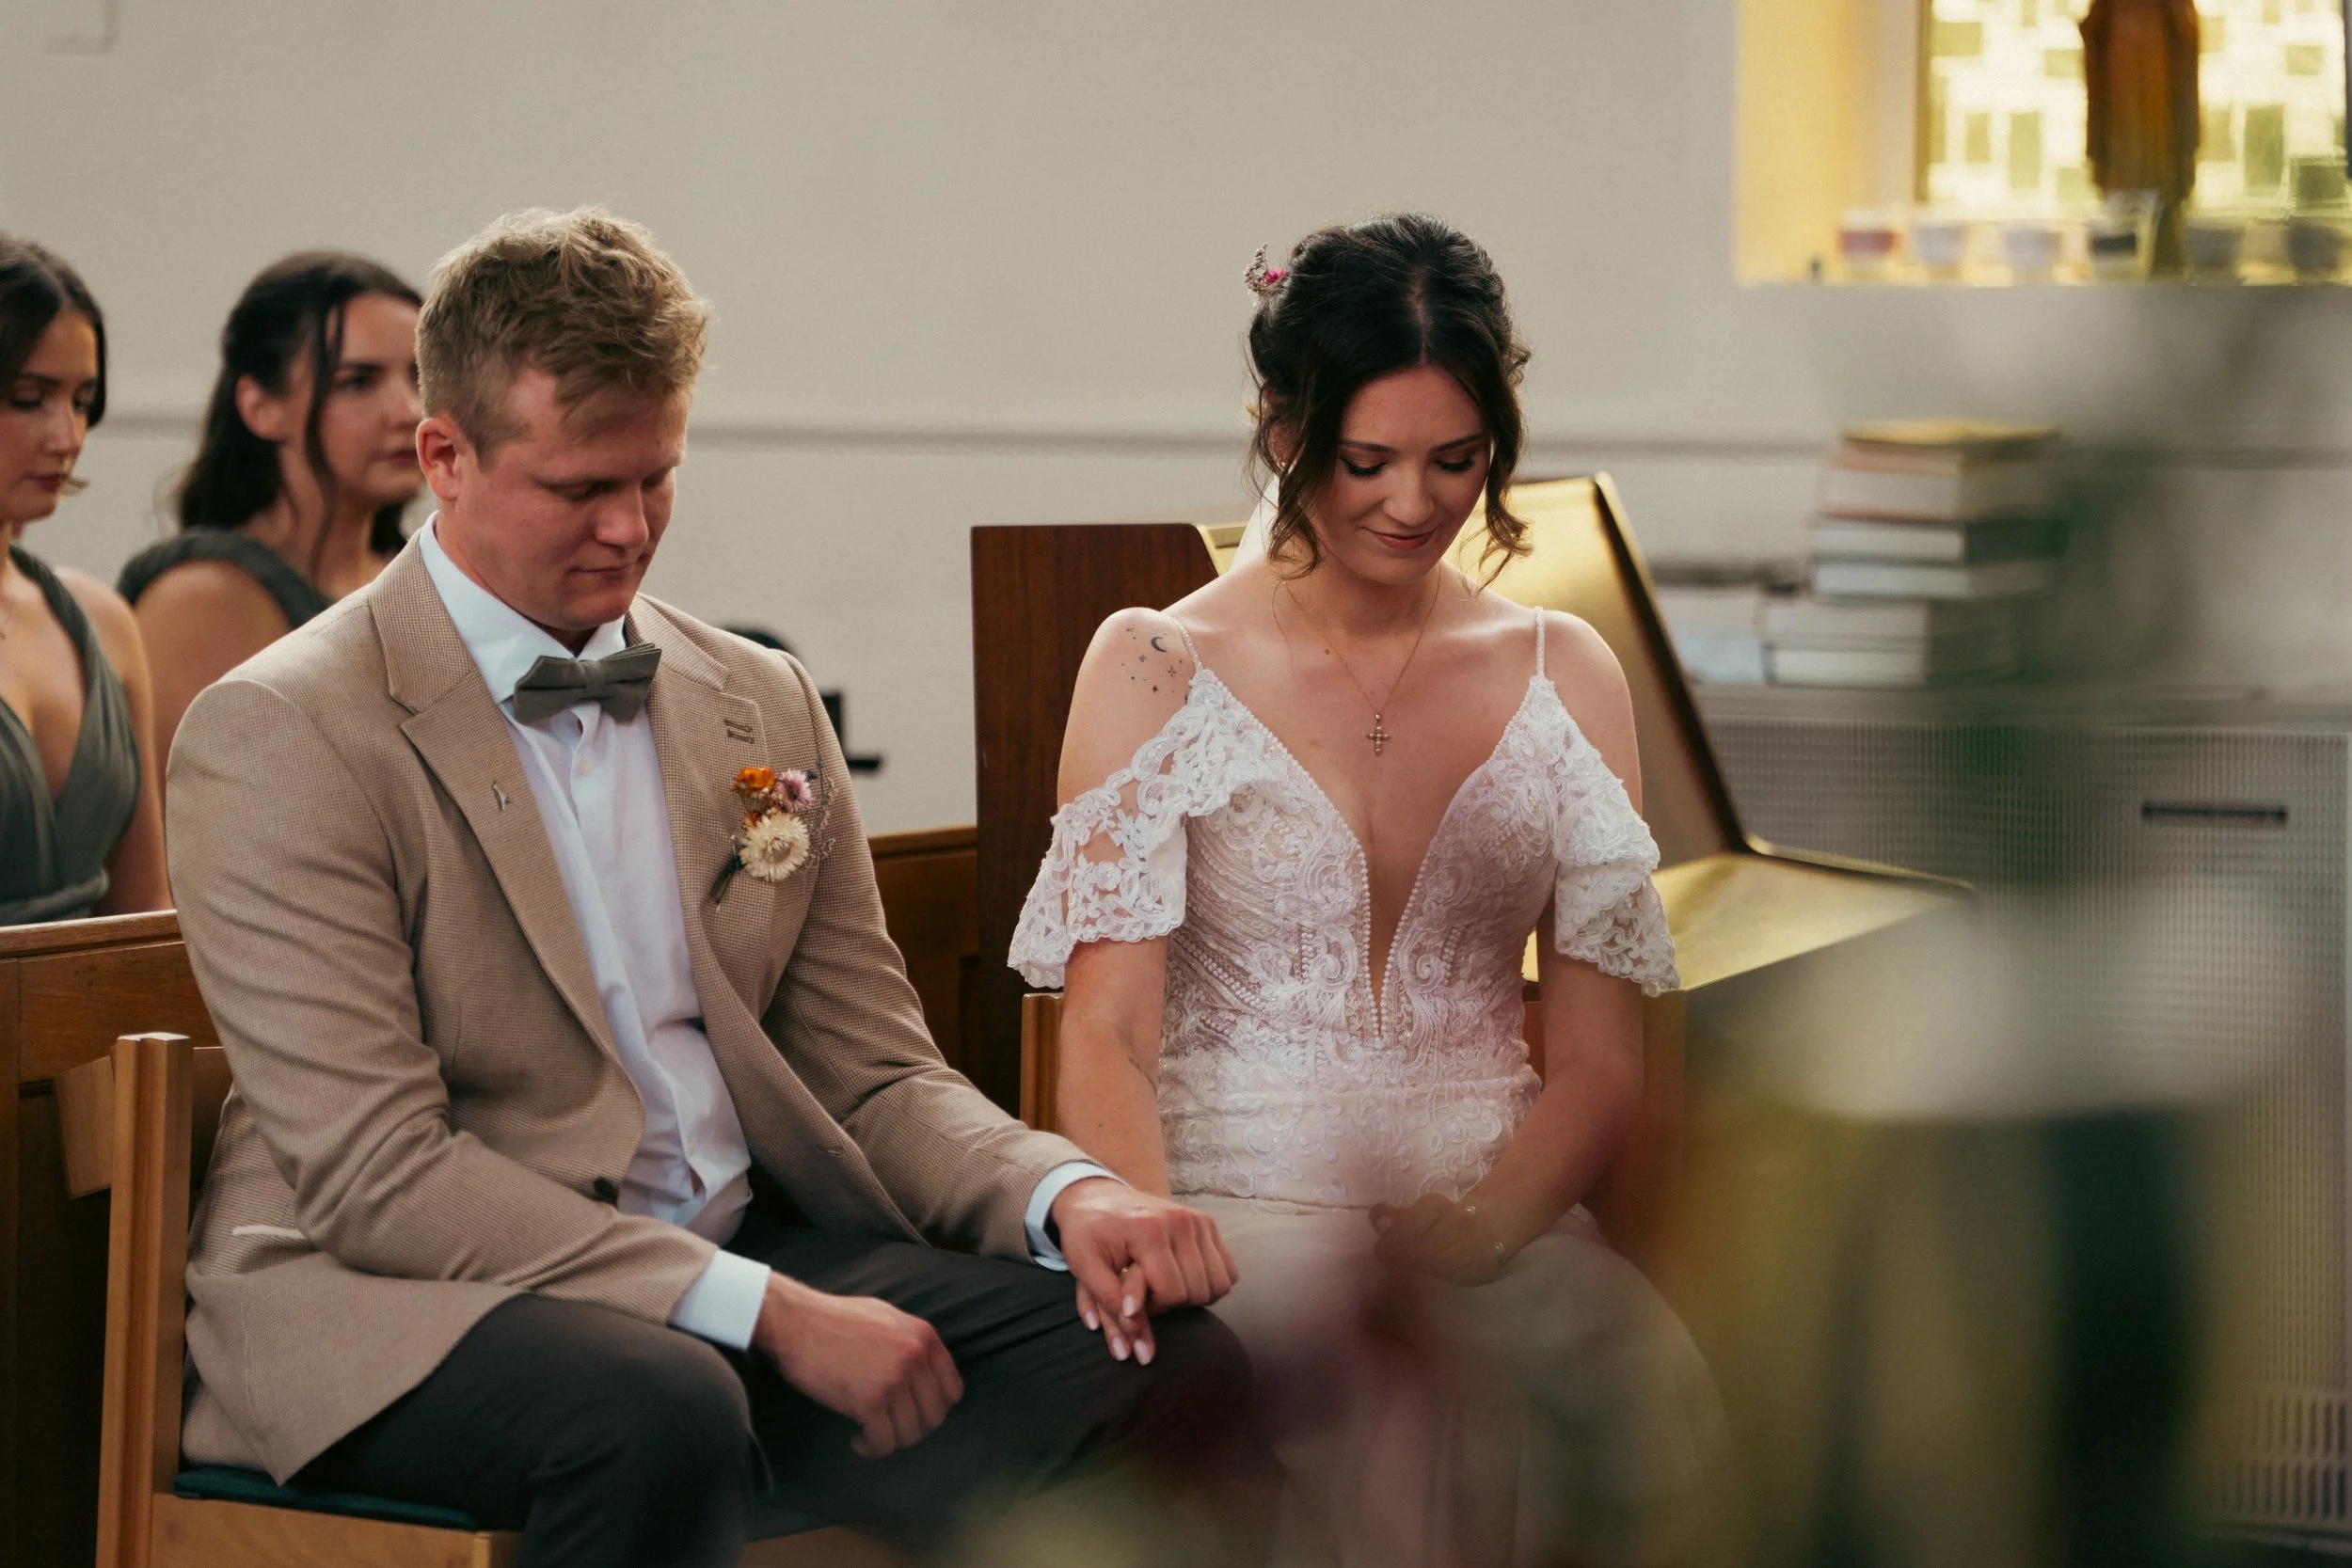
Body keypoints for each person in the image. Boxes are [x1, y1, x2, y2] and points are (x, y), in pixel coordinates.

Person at [165, 208, 1257, 1566]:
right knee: (662, 1406)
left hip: (733, 1254)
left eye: (659, 478)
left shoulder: (757, 700)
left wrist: (1068, 1195)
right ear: (444, 455)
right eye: (581, 487)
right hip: (403, 1302)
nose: (630, 530)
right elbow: (381, 1175)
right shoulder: (284, 727)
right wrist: (758, 1309)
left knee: (1171, 1362)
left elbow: (873, 1074)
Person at [1011, 214, 1722, 1567]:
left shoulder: (1567, 672)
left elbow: (1595, 1061)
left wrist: (1493, 1222)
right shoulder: (1156, 663)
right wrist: (1159, 1247)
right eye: (1369, 460)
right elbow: (1102, 1030)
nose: (1414, 501)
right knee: (1372, 1400)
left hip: (1498, 1220)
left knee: (1614, 1379)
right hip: (1232, 1220)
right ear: (1284, 432)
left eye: (1457, 460)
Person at [121, 252, 424, 754]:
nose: (409, 410)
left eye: (419, 376)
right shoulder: (201, 598)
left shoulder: (419, 575)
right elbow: (193, 823)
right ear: (261, 407)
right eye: (358, 382)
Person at [0, 234, 167, 925]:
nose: (67, 436)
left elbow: (146, 912)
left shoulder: (101, 620)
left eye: (81, 400)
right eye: (28, 397)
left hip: (97, 1025)